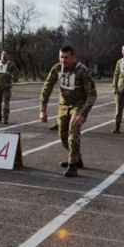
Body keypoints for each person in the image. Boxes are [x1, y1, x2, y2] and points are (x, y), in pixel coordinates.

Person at [40, 45, 97, 177]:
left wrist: (83, 114)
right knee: (63, 136)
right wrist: (43, 109)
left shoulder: (82, 71)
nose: (63, 60)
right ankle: (77, 158)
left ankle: (73, 165)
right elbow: (47, 88)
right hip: (63, 105)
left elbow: (92, 94)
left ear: (73, 58)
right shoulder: (56, 69)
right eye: (61, 57)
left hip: (78, 105)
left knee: (73, 132)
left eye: (66, 58)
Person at [0, 50, 20, 124]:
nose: (4, 56)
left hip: (6, 86)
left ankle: (5, 118)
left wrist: (13, 82)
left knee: (6, 103)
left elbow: (16, 73)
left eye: (5, 54)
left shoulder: (11, 64)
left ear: (8, 56)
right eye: (3, 54)